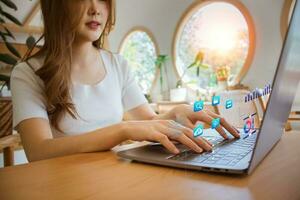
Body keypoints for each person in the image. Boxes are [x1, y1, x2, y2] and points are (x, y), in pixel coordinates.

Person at [11, 0, 239, 162]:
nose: (95, 9)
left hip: (113, 176)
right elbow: (39, 151)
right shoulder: (28, 72)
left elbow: (148, 120)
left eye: (102, 0)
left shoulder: (117, 65)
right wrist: (122, 130)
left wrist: (177, 113)